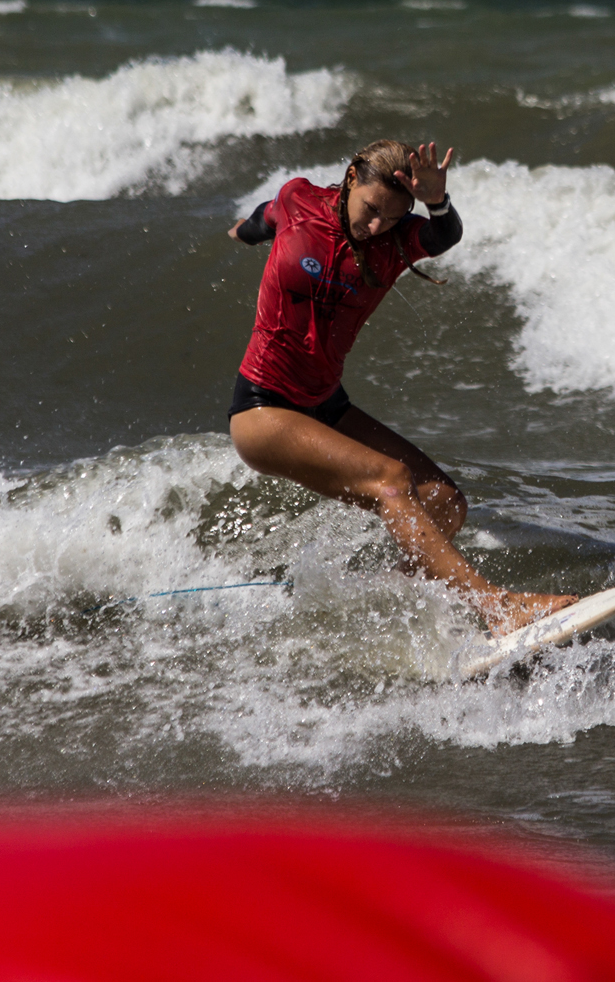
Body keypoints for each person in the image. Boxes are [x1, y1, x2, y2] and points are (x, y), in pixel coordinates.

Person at [226, 139, 576, 635]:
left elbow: (445, 234)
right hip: (264, 408)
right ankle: (496, 608)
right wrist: (242, 233)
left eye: (390, 218)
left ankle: (379, 605)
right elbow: (263, 219)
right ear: (351, 178)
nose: (375, 227)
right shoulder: (297, 200)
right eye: (371, 210)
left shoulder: (396, 242)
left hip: (326, 404)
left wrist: (437, 201)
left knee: (444, 504)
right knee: (391, 479)